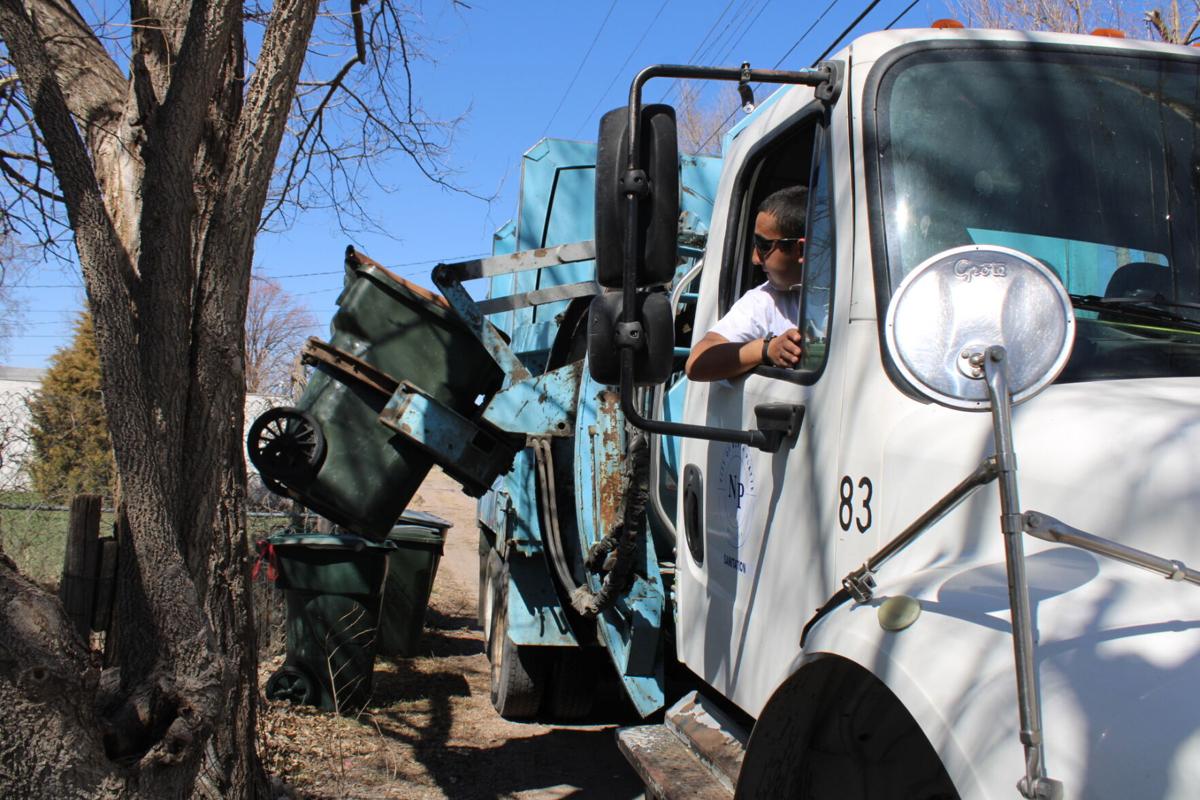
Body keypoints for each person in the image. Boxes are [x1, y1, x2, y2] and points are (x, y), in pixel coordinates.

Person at [685, 186, 808, 382]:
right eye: (755, 243)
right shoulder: (764, 301)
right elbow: (697, 362)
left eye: (764, 246)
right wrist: (767, 348)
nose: (755, 259)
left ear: (801, 250)